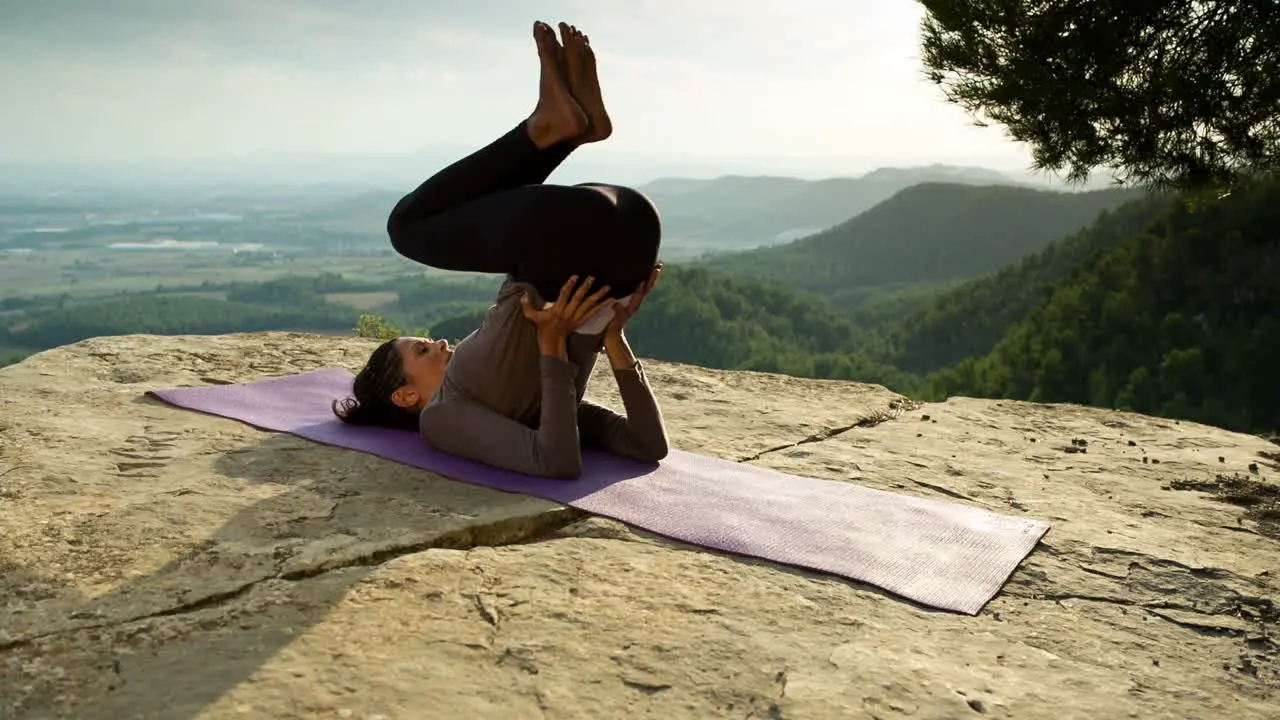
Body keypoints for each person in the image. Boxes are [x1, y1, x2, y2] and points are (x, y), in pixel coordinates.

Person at [333, 20, 670, 480]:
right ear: (405, 396)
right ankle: (554, 130)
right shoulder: (440, 417)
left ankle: (565, 128)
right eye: (421, 350)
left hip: (627, 230)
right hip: (591, 241)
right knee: (406, 227)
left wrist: (590, 332)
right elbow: (574, 459)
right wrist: (607, 338)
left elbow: (641, 446)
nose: (439, 342)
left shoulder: (515, 403)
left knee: (425, 224)